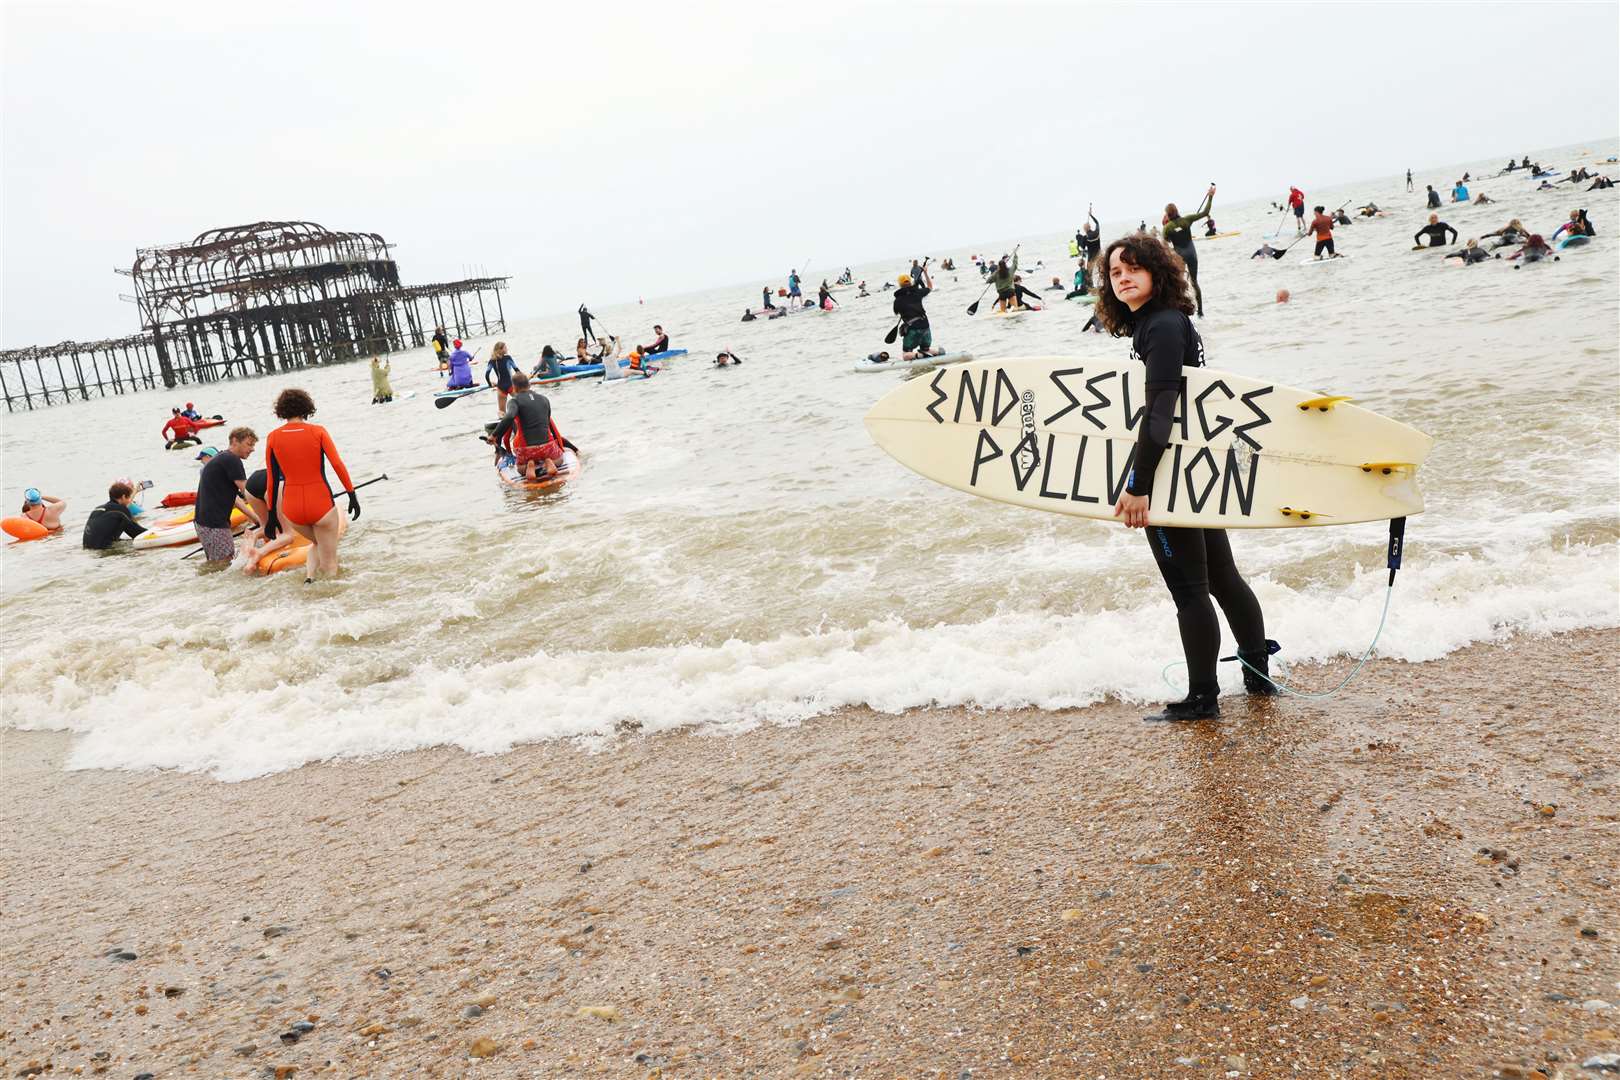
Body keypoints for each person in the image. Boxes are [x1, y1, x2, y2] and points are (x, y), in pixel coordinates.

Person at [1093, 232, 1273, 722]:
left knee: (1190, 589)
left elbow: (1161, 414)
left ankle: (1202, 698)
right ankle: (1258, 677)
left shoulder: (1163, 327)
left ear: (1156, 271)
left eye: (1133, 268)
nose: (1123, 277)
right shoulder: (1161, 324)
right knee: (1221, 578)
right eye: (1115, 272)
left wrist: (1138, 484)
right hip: (1190, 467)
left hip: (1170, 473)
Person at [263, 388, 358, 583]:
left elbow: (272, 479)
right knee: (330, 562)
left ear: (281, 411)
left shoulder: (273, 437)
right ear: (307, 408)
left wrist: (272, 515)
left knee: (317, 542)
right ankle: (330, 600)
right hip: (320, 502)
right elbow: (337, 465)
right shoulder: (318, 431)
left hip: (293, 509)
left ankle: (310, 579)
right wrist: (351, 494)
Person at [193, 426, 260, 565]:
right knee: (225, 565)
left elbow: (235, 498)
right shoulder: (232, 460)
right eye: (249, 444)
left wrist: (254, 517)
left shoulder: (222, 458)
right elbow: (248, 493)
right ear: (235, 441)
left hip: (203, 523)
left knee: (215, 564)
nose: (252, 449)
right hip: (215, 524)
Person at [490, 372, 564, 480]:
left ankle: (529, 466)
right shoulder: (544, 399)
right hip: (547, 446)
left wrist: (494, 435)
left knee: (520, 467)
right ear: (529, 384)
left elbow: (509, 416)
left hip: (526, 450)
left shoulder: (514, 401)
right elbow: (549, 426)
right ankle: (549, 461)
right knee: (560, 459)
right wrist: (560, 449)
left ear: (514, 387)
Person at [1162, 185, 1215, 317]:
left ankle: (1180, 310)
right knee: (1194, 282)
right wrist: (1210, 196)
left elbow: (1166, 241)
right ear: (1177, 211)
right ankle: (1201, 312)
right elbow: (1205, 212)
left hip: (1179, 256)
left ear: (1168, 215)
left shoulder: (1167, 227)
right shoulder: (1187, 220)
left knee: (1177, 282)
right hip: (1192, 254)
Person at [892, 268, 942, 361]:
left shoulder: (897, 301)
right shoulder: (917, 292)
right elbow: (930, 287)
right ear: (910, 282)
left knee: (906, 354)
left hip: (912, 330)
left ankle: (918, 356)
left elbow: (896, 312)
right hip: (926, 327)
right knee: (925, 349)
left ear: (900, 285)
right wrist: (926, 273)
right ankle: (937, 352)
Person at [81, 481, 145, 550]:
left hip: (87, 548)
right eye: (129, 498)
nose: (130, 501)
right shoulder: (121, 510)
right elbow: (138, 534)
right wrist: (155, 530)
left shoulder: (97, 509)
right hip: (101, 550)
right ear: (123, 497)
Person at [485, 341, 519, 414]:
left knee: (502, 413)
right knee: (522, 405)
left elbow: (487, 374)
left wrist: (490, 384)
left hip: (500, 388)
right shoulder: (508, 358)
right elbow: (517, 371)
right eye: (505, 347)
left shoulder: (492, 361)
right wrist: (522, 381)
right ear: (501, 350)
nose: (507, 349)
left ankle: (504, 424)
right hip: (511, 386)